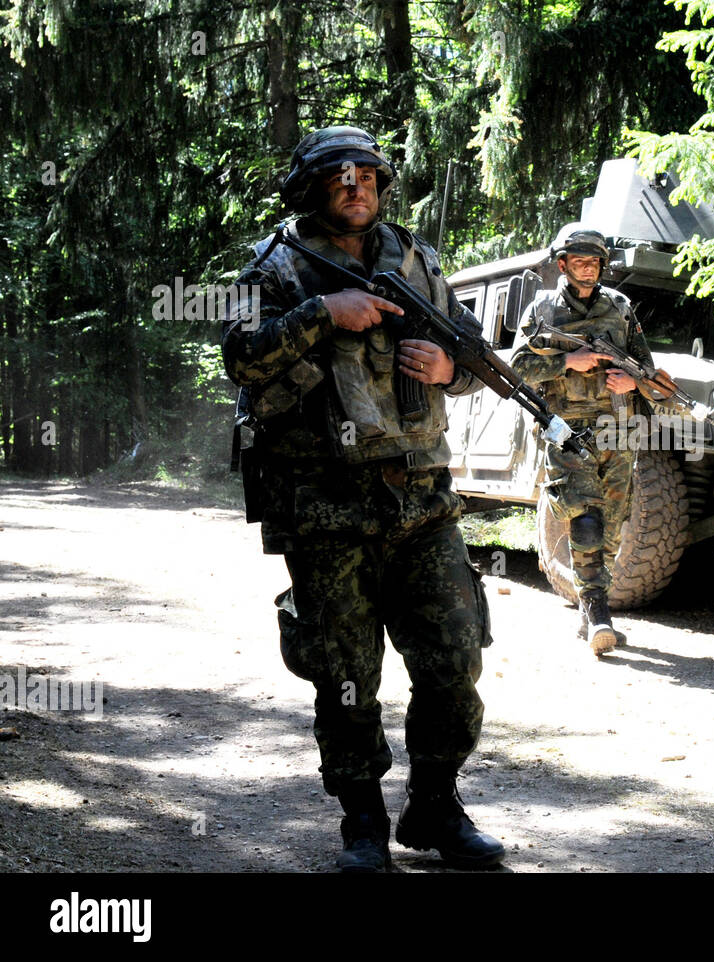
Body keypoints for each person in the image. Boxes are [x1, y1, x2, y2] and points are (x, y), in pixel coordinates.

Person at [222, 125, 504, 872]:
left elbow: (478, 358)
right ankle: (363, 822)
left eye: (368, 177)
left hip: (422, 502)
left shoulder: (416, 260)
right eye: (340, 178)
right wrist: (323, 315)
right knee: (347, 678)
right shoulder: (276, 267)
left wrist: (449, 368)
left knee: (453, 660)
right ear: (312, 188)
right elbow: (240, 358)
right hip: (326, 508)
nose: (357, 188)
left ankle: (436, 806)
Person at [511, 229, 657, 655]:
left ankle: (592, 604)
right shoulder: (542, 309)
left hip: (618, 428)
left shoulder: (620, 307)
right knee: (586, 516)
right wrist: (565, 361)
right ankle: (597, 612)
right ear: (562, 264)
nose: (588, 267)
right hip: (568, 429)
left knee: (612, 522)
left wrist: (633, 380)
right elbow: (516, 366)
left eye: (594, 262)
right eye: (579, 261)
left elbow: (648, 368)